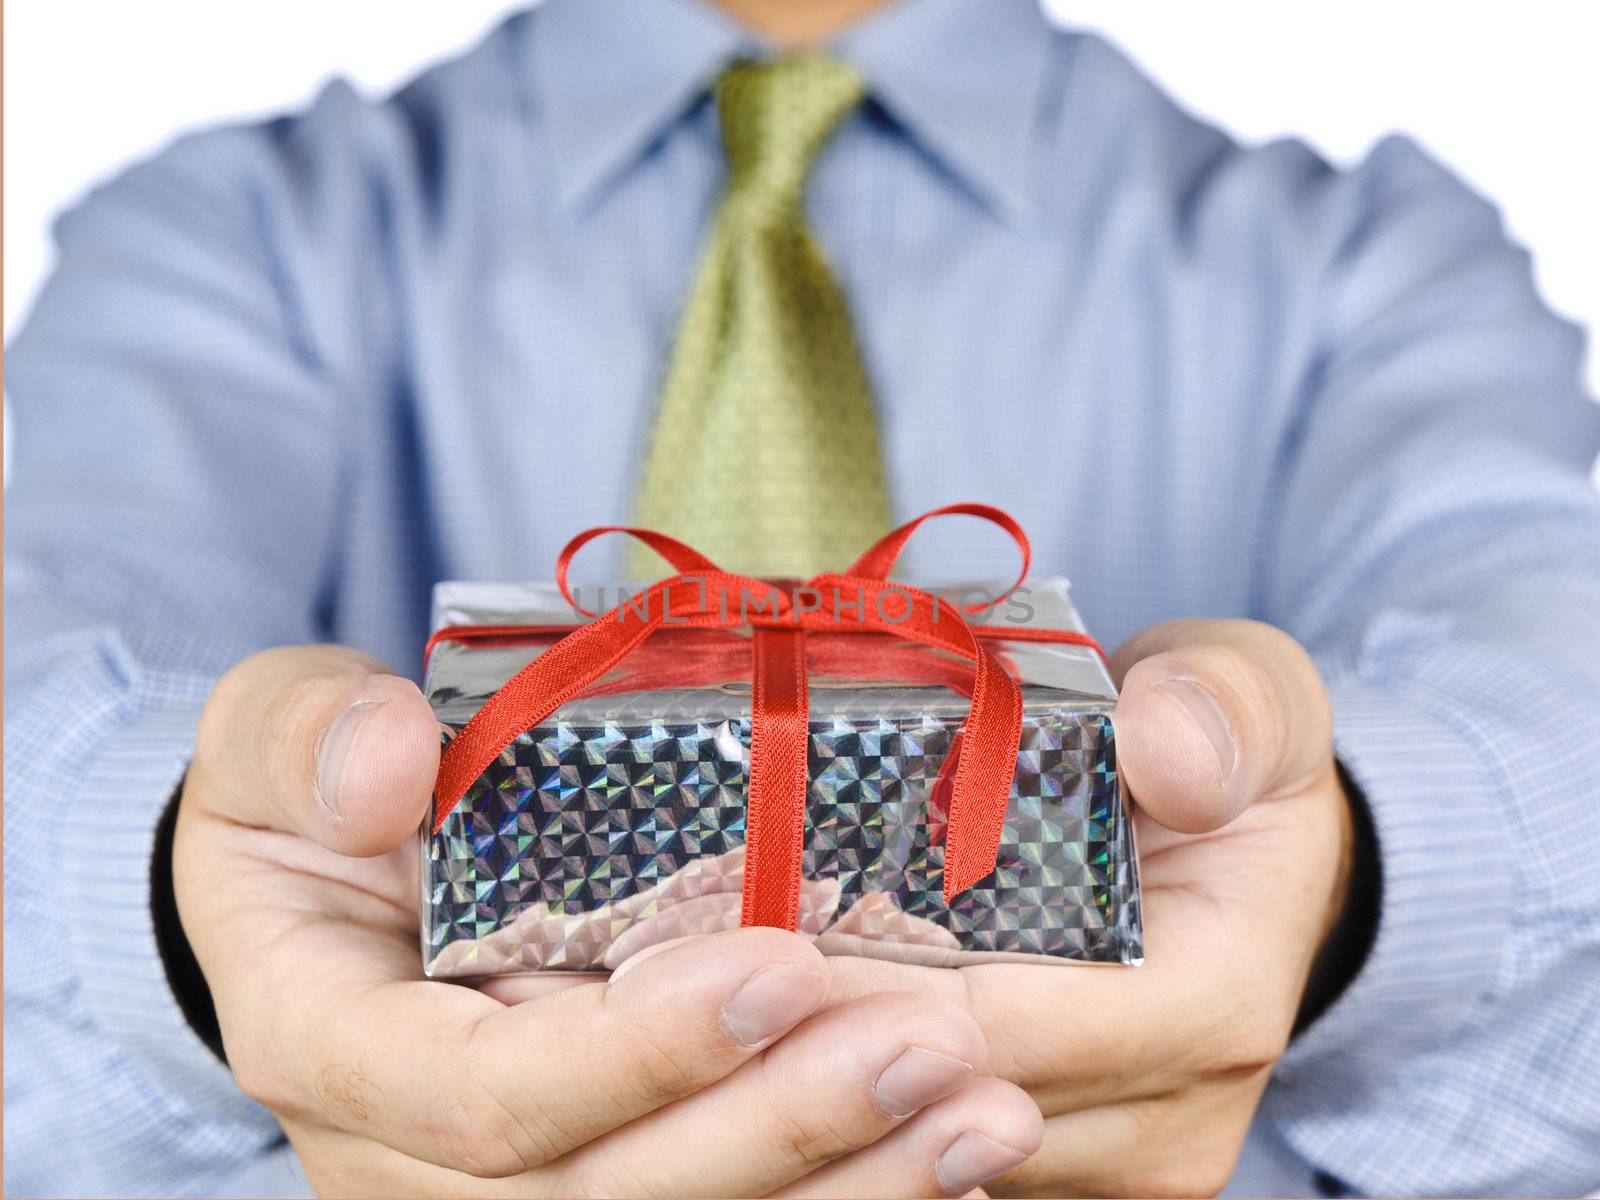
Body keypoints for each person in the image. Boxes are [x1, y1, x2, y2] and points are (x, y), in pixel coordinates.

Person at [5, 0, 1599, 1195]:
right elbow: (56, 645)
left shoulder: (1367, 261)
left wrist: (1347, 885)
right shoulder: (235, 238)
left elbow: (1548, 643)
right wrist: (187, 900)